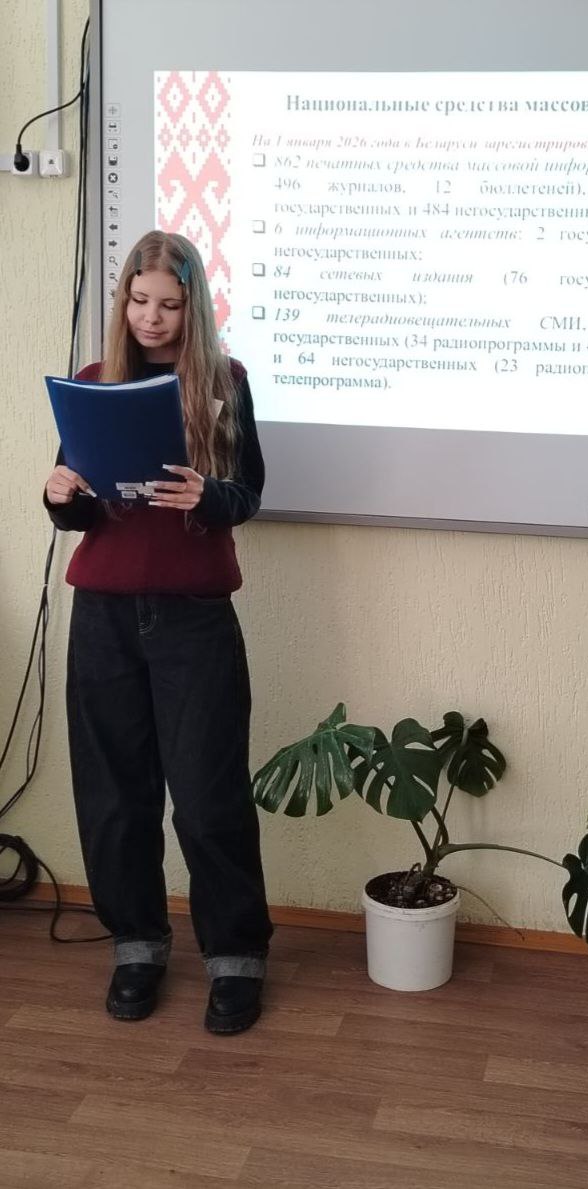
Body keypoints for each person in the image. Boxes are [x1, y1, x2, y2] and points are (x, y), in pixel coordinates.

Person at [44, 230, 272, 1034]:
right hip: (103, 614)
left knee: (208, 799)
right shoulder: (94, 382)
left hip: (192, 616)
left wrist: (207, 495)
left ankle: (235, 956)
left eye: (168, 304)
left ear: (192, 305)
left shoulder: (224, 381)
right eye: (139, 300)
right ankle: (136, 944)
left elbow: (249, 494)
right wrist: (60, 492)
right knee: (114, 797)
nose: (150, 316)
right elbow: (79, 512)